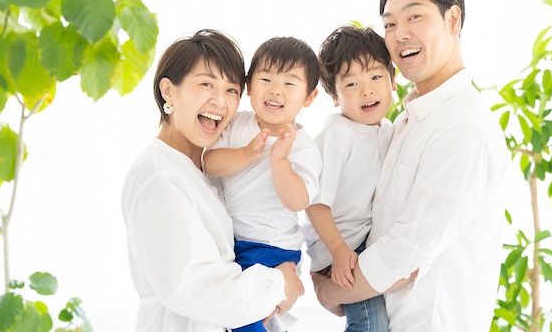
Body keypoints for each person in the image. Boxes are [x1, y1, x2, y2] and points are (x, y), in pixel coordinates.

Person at [312, 0, 510, 332]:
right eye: (389, 24)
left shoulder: (462, 127)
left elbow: (405, 252)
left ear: (453, 20)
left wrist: (327, 292)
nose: (399, 34)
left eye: (414, 17)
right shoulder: (402, 121)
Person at [121, 29, 304, 332]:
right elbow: (194, 288)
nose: (220, 101)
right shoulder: (157, 174)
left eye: (232, 90)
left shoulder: (209, 170)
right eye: (206, 84)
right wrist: (280, 283)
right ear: (168, 91)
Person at [203, 36, 322, 332]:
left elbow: (298, 201)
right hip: (235, 243)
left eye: (290, 84)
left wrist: (279, 161)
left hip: (272, 246)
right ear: (249, 86)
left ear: (309, 97)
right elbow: (210, 163)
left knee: (246, 316)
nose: (275, 90)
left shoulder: (302, 146)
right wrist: (245, 155)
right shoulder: (237, 124)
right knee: (245, 314)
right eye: (266, 78)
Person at [303, 24, 396, 332]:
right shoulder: (337, 135)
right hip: (342, 247)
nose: (367, 90)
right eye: (352, 84)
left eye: (375, 77)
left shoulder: (390, 131)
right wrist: (340, 251)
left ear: (393, 80)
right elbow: (315, 203)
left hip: (364, 244)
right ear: (334, 95)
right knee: (371, 326)